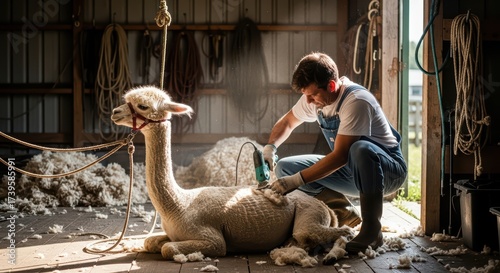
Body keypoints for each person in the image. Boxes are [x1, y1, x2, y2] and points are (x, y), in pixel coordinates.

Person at [263, 52, 407, 253]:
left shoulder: (356, 101)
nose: (309, 101)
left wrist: (295, 182)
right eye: (306, 96)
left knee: (360, 148)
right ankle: (347, 213)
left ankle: (372, 229)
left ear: (331, 86)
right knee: (286, 167)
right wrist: (271, 146)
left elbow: (340, 156)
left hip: (387, 172)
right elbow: (288, 122)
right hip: (350, 170)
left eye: (312, 95)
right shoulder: (314, 99)